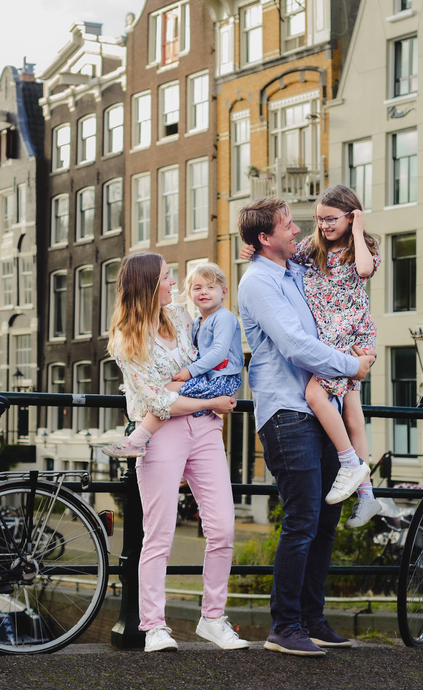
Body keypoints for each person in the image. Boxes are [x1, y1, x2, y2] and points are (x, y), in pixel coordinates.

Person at [237, 198, 375, 657]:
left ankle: (313, 621)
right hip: (286, 412)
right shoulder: (258, 281)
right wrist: (352, 366)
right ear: (264, 238)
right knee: (301, 521)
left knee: (325, 522)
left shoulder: (292, 270)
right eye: (287, 224)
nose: (296, 229)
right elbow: (296, 345)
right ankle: (285, 627)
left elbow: (336, 277)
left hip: (321, 408)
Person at [106, 252, 248, 653]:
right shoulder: (126, 339)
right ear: (150, 284)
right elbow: (156, 401)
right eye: (168, 277)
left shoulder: (183, 319)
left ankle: (213, 619)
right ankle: (153, 626)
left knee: (222, 528)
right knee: (159, 534)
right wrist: (212, 400)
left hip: (204, 430)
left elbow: (213, 363)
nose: (176, 284)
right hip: (163, 436)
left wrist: (201, 395)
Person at [240, 185, 382, 527]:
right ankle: (361, 482)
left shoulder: (357, 250)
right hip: (330, 351)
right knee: (341, 410)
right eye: (315, 220)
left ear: (351, 216)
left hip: (347, 336)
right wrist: (253, 250)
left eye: (329, 219)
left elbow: (364, 270)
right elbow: (281, 255)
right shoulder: (303, 257)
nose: (313, 227)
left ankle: (362, 486)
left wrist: (359, 230)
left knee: (348, 413)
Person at [103, 262, 243, 457]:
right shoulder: (194, 322)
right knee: (163, 395)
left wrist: (190, 372)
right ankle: (143, 442)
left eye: (211, 287)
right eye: (197, 288)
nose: (173, 281)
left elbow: (218, 352)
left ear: (224, 291)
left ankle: (138, 439)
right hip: (206, 387)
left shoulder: (215, 318)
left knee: (166, 390)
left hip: (221, 380)